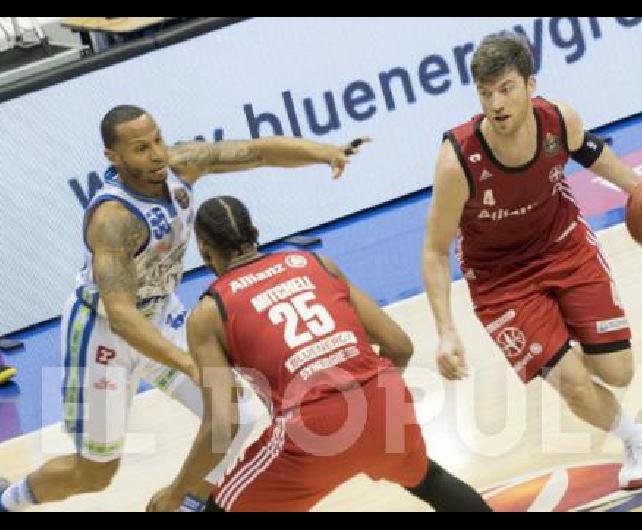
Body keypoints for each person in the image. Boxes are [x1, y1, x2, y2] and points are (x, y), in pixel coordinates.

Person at [0, 104, 369, 512]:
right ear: (113, 157)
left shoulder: (180, 166)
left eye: (158, 139)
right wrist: (189, 365)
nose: (157, 154)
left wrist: (325, 152)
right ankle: (7, 500)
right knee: (95, 473)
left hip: (160, 315)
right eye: (141, 148)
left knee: (236, 416)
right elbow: (121, 316)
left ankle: (187, 503)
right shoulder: (113, 219)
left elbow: (257, 151)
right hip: (102, 333)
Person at [421, 32, 642, 490]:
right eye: (485, 93)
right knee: (571, 382)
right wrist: (445, 330)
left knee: (617, 372)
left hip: (564, 245)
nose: (496, 103)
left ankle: (570, 337)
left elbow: (593, 154)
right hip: (501, 281)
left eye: (506, 88)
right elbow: (434, 250)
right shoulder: (458, 161)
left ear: (530, 84)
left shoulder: (558, 119)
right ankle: (639, 441)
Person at [147, 196, 492, 512]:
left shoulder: (209, 312)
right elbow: (400, 345)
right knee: (428, 481)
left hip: (311, 426)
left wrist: (177, 492)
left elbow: (223, 424)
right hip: (383, 397)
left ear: (205, 253)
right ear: (255, 233)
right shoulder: (314, 262)